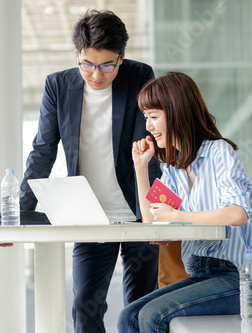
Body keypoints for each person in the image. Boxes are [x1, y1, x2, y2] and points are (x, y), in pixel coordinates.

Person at [20, 9, 162, 333]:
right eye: (88, 64)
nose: (96, 74)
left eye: (107, 65)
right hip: (89, 213)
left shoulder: (140, 77)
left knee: (141, 306)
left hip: (139, 209)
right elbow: (42, 152)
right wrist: (18, 214)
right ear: (77, 55)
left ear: (122, 58)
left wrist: (158, 212)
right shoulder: (58, 86)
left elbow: (148, 152)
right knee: (85, 304)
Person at [117, 72, 252, 332]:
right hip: (203, 273)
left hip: (240, 276)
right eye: (146, 117)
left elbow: (237, 214)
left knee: (152, 317)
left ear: (177, 112)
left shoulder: (219, 152)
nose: (148, 126)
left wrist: (177, 216)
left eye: (154, 116)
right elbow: (152, 223)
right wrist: (140, 167)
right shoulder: (174, 168)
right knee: (129, 316)